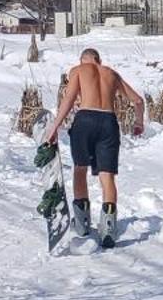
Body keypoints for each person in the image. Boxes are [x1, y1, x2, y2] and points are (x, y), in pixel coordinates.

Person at [42, 48, 146, 240]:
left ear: (83, 60)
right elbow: (138, 101)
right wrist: (139, 123)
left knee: (80, 169)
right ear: (99, 60)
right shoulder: (112, 74)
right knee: (107, 176)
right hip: (108, 122)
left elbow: (69, 98)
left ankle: (82, 224)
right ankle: (108, 229)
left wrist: (54, 127)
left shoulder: (78, 70)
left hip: (85, 120)